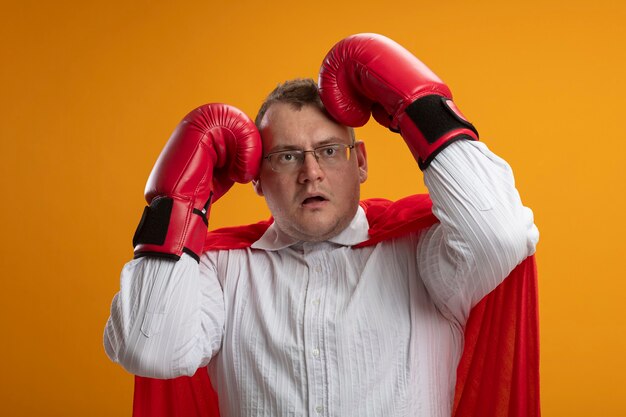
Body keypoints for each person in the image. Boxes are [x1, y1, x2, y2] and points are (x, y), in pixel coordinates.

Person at [105, 33, 539, 417]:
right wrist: (178, 202)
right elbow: (151, 348)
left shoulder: (426, 256)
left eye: (329, 151)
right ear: (256, 179)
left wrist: (420, 107)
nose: (310, 172)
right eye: (287, 156)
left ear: (361, 162)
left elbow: (499, 235)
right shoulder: (217, 273)